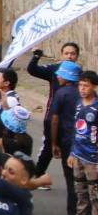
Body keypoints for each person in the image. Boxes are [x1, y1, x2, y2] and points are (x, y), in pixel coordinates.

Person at [27, 43, 80, 177]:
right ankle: (38, 174)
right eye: (66, 53)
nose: (69, 56)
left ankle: (73, 179)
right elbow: (32, 70)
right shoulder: (54, 70)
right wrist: (36, 56)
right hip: (53, 117)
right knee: (49, 146)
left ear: (77, 56)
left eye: (72, 53)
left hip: (70, 119)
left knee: (70, 148)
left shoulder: (80, 73)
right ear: (61, 54)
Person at [48, 61, 82, 215]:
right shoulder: (86, 92)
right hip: (85, 143)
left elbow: (54, 120)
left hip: (68, 141)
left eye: (61, 74)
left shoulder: (61, 94)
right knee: (86, 180)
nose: (58, 76)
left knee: (71, 179)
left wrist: (54, 143)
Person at [66, 69, 98, 215]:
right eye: (80, 85)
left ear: (94, 87)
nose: (82, 89)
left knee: (95, 195)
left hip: (93, 159)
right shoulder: (78, 104)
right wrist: (72, 152)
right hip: (78, 155)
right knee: (81, 193)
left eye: (86, 86)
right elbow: (75, 129)